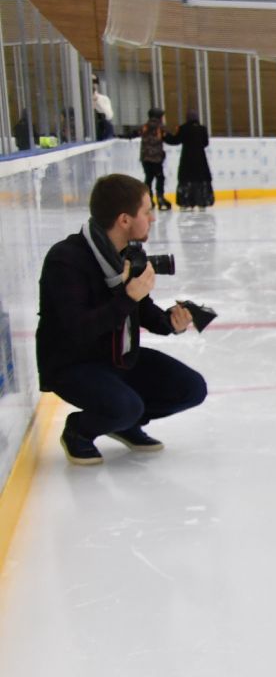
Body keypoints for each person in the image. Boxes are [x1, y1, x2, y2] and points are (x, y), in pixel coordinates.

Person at [38, 173, 207, 465]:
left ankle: (122, 423)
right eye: (146, 211)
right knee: (126, 406)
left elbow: (143, 311)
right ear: (124, 220)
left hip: (119, 357)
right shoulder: (65, 260)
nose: (152, 219)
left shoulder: (127, 255)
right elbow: (78, 330)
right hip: (73, 365)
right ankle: (79, 430)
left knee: (192, 388)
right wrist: (128, 298)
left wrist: (171, 322)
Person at [167, 109, 216, 210]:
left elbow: (175, 140)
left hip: (187, 158)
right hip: (200, 159)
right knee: (201, 179)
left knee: (186, 179)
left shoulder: (183, 128)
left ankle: (186, 202)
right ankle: (202, 201)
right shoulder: (202, 129)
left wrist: (164, 136)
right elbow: (205, 143)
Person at [132, 107, 170, 210]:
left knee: (148, 178)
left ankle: (148, 199)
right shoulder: (161, 127)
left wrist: (120, 135)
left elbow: (132, 133)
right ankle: (160, 198)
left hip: (145, 158)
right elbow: (169, 138)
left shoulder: (144, 127)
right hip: (157, 159)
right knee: (160, 178)